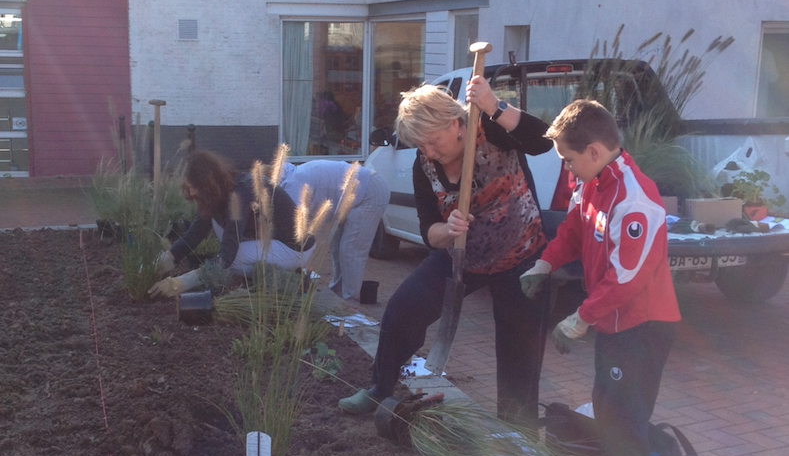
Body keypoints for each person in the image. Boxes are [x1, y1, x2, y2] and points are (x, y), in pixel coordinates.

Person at [338, 77, 553, 424]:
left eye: (434, 142)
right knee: (403, 308)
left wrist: (494, 105)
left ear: (455, 123)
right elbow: (428, 230)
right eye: (422, 146)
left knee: (519, 352)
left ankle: (519, 432)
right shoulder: (424, 165)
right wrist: (447, 229)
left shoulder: (491, 130)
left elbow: (543, 141)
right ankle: (380, 387)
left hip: (520, 256)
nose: (430, 153)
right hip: (462, 257)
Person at [519, 99, 681, 456]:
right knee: (609, 411)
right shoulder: (590, 184)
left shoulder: (635, 201)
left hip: (643, 326)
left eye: (569, 160)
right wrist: (544, 262)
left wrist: (579, 319)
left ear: (594, 151)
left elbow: (626, 280)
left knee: (625, 420)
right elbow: (573, 231)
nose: (566, 169)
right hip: (614, 322)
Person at [148, 150, 315, 298]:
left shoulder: (241, 193)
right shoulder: (216, 194)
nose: (191, 193)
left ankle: (286, 280)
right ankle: (270, 272)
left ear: (207, 183)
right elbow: (193, 235)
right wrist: (159, 263)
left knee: (232, 262)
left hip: (295, 247)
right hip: (270, 241)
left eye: (194, 187)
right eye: (187, 187)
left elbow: (227, 256)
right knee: (217, 231)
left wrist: (181, 283)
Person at [280, 159, 390, 303]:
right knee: (335, 244)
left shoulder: (293, 184)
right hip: (356, 191)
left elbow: (292, 226)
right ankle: (336, 295)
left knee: (351, 250)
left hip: (370, 191)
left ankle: (350, 304)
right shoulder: (293, 174)